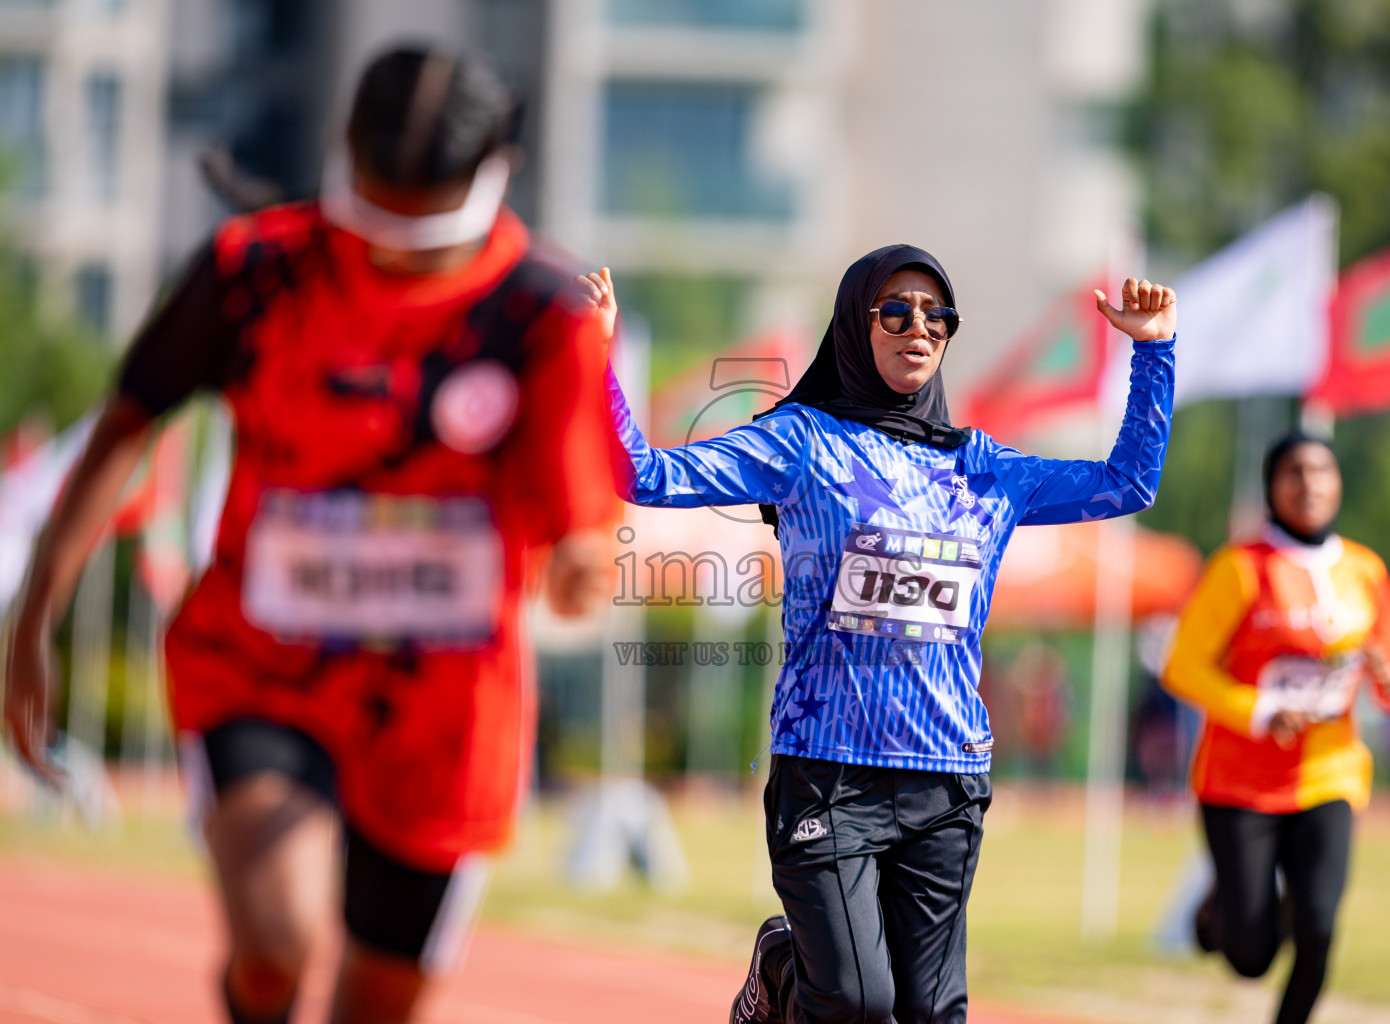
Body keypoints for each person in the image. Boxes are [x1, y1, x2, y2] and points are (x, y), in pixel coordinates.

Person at [3, 47, 616, 1024]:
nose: (397, 249)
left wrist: (585, 566)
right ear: (345, 155)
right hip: (259, 666)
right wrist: (37, 610)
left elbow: (582, 520)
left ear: (491, 175)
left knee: (376, 1004)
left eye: (425, 224)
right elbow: (128, 419)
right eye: (378, 209)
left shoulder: (540, 315)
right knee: (273, 948)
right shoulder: (257, 270)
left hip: (442, 712)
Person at [579, 249, 1176, 1024]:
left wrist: (1154, 350)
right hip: (829, 772)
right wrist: (594, 360)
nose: (918, 327)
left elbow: (1127, 483)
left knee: (930, 1015)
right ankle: (783, 969)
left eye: (937, 315)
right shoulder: (802, 442)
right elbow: (643, 474)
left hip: (945, 777)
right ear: (857, 326)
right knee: (859, 1003)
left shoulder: (985, 470)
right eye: (896, 310)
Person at [1162, 430, 1390, 1024]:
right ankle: (1222, 905)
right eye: (1295, 473)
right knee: (1250, 956)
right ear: (1272, 489)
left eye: (1322, 471)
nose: (1310, 484)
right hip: (1238, 782)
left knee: (1320, 926)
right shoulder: (1239, 568)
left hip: (1329, 773)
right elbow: (1182, 667)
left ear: (1339, 484)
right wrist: (1262, 711)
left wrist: (1388, 673)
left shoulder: (1365, 570)